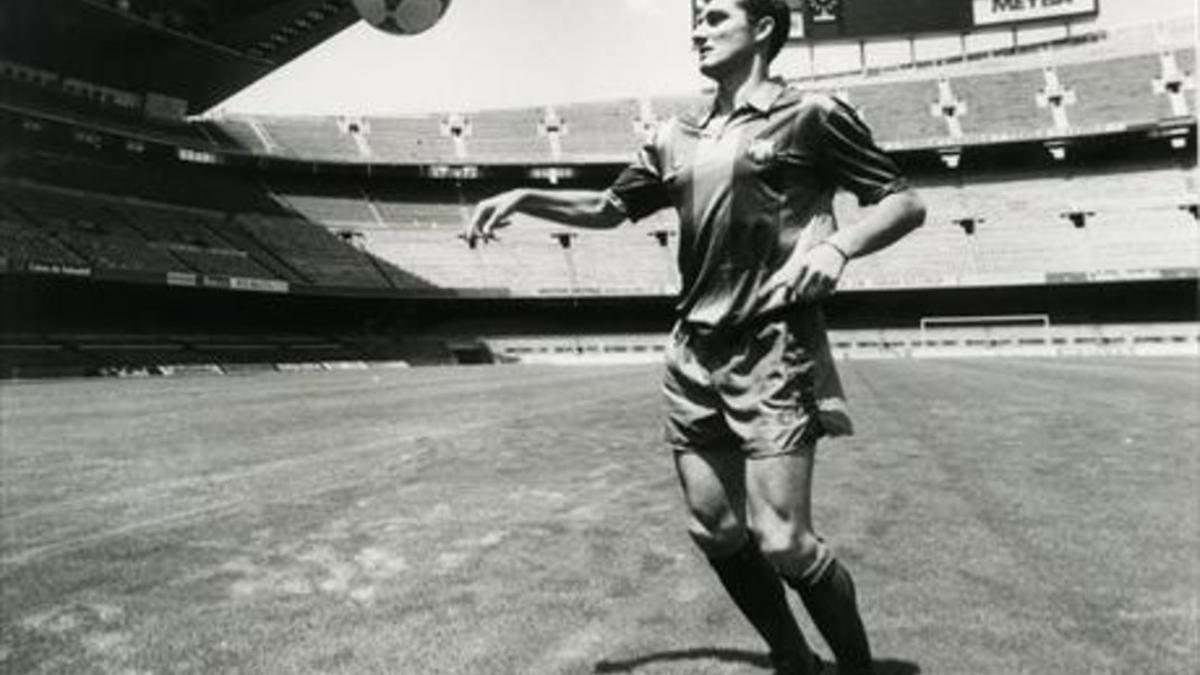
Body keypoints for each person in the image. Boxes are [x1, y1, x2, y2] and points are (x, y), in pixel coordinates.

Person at [464, 1, 926, 672]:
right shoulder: (674, 135)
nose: (698, 29)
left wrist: (840, 246)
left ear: (762, 28)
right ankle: (793, 658)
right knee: (713, 525)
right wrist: (525, 196)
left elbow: (904, 201)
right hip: (693, 351)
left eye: (714, 17)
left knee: (783, 539)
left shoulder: (812, 115)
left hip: (773, 344)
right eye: (697, 19)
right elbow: (608, 208)